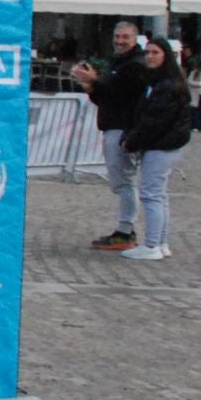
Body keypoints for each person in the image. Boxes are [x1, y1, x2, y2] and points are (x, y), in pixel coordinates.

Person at [71, 22, 151, 251]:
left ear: (135, 39)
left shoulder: (135, 65)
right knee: (121, 180)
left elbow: (117, 92)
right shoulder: (120, 63)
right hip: (112, 126)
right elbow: (106, 97)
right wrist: (91, 85)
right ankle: (125, 229)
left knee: (124, 180)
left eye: (125, 37)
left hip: (123, 128)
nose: (120, 41)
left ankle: (126, 231)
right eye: (117, 36)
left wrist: (94, 81)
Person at [120, 37, 191, 261]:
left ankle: (151, 244)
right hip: (164, 143)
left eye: (155, 53)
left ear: (165, 56)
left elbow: (154, 121)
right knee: (159, 195)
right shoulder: (158, 82)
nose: (150, 56)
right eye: (148, 52)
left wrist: (132, 141)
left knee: (151, 194)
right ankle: (160, 242)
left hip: (162, 145)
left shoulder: (167, 85)